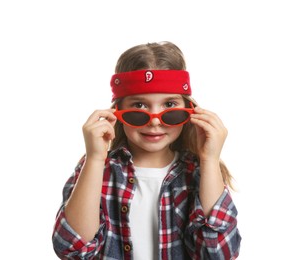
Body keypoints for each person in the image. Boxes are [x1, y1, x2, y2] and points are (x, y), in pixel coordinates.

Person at [52, 41, 241, 259]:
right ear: (117, 112)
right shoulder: (98, 169)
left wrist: (210, 159)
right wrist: (95, 158)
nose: (154, 121)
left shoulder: (199, 172)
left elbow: (219, 253)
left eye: (169, 106)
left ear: (190, 111)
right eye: (139, 106)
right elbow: (72, 249)